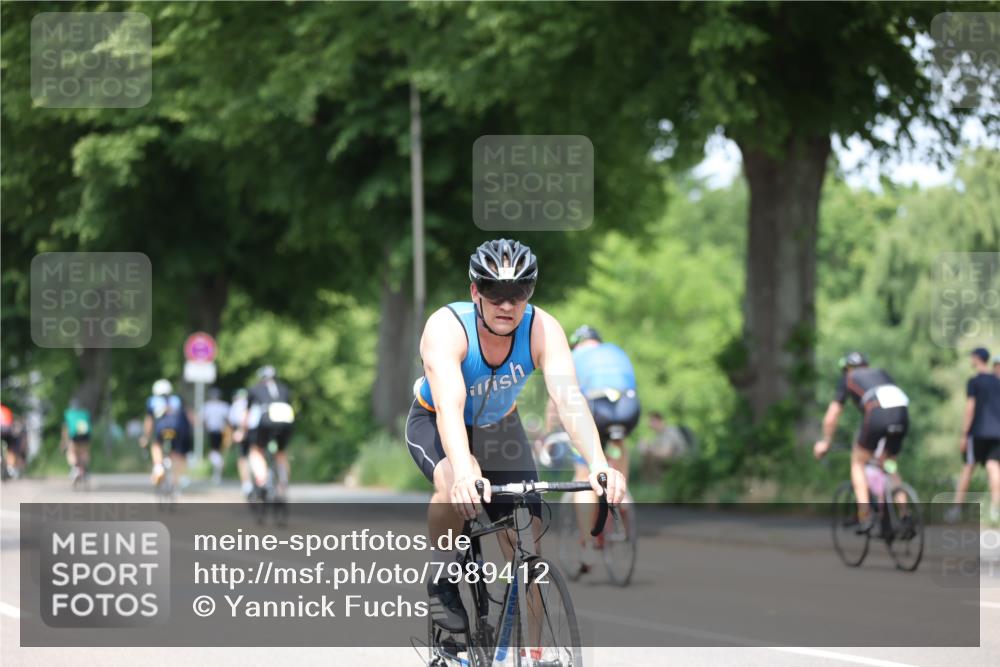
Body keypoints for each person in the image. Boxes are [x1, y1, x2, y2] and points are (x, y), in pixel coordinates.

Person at [406, 238, 626, 637]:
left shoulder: (543, 328)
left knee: (527, 546)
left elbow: (569, 399)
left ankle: (534, 655)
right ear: (476, 291)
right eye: (495, 292)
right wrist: (463, 469)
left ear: (530, 292)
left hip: (500, 427)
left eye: (519, 292)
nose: (507, 305)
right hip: (437, 420)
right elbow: (452, 410)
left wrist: (597, 462)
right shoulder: (446, 329)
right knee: (450, 484)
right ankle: (442, 575)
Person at [541, 324, 639, 575]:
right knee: (617, 440)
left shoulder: (572, 357)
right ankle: (623, 493)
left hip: (597, 406)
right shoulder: (615, 351)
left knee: (583, 476)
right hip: (628, 406)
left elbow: (559, 400)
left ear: (577, 344)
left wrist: (547, 431)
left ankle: (587, 544)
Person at [813, 352, 912, 535]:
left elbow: (832, 415)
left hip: (877, 413)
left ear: (847, 369)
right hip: (902, 413)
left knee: (858, 462)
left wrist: (825, 442)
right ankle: (905, 515)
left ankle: (864, 515)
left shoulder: (848, 377)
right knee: (889, 464)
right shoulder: (881, 373)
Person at [949, 347, 1000, 524]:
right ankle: (995, 510)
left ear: (976, 359)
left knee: (968, 467)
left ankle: (956, 508)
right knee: (994, 467)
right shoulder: (997, 381)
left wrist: (964, 434)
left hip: (978, 431)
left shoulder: (974, 381)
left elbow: (970, 408)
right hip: (997, 433)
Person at [241, 366, 295, 500]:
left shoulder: (254, 389)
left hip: (266, 420)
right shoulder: (284, 389)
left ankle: (263, 480)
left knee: (256, 450)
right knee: (281, 453)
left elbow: (246, 415)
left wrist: (242, 431)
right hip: (286, 421)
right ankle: (283, 483)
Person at [140, 379, 192, 488]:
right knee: (176, 453)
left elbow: (149, 420)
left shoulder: (152, 400)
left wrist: (146, 436)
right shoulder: (177, 399)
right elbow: (186, 417)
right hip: (177, 429)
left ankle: (158, 467)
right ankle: (176, 479)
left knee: (156, 444)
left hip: (161, 429)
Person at [202, 387, 230, 484]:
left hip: (213, 431)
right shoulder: (224, 406)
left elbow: (204, 420)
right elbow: (228, 420)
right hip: (221, 432)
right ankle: (217, 473)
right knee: (217, 452)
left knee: (213, 452)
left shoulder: (207, 406)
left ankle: (219, 465)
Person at [61, 398, 92, 484]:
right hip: (86, 436)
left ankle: (75, 469)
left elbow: (65, 429)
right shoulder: (85, 413)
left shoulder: (68, 413)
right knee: (84, 452)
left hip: (74, 436)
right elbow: (89, 426)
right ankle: (84, 469)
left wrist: (64, 441)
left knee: (71, 452)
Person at [1, 403, 26, 479]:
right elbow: (11, 424)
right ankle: (10, 467)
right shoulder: (7, 410)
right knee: (11, 448)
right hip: (8, 431)